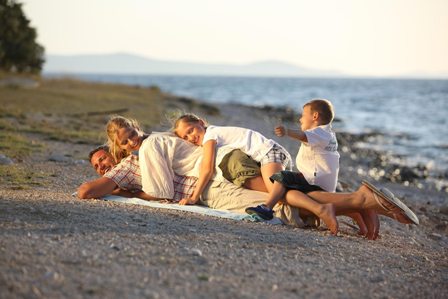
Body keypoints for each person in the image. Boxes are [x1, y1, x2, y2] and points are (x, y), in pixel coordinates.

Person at [173, 113, 340, 235]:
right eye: (185, 137)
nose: (190, 137)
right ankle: (348, 209)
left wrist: (194, 197)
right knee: (281, 191)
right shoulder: (213, 133)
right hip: (268, 154)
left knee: (277, 195)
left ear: (201, 122)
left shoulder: (210, 134)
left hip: (269, 153)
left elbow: (207, 168)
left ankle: (321, 208)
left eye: (191, 130)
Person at [246, 98, 341, 219]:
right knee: (291, 179)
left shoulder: (320, 133)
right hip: (324, 182)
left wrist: (287, 131)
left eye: (303, 115)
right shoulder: (329, 135)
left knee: (283, 176)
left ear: (315, 116)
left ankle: (267, 207)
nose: (300, 119)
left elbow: (303, 136)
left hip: (314, 182)